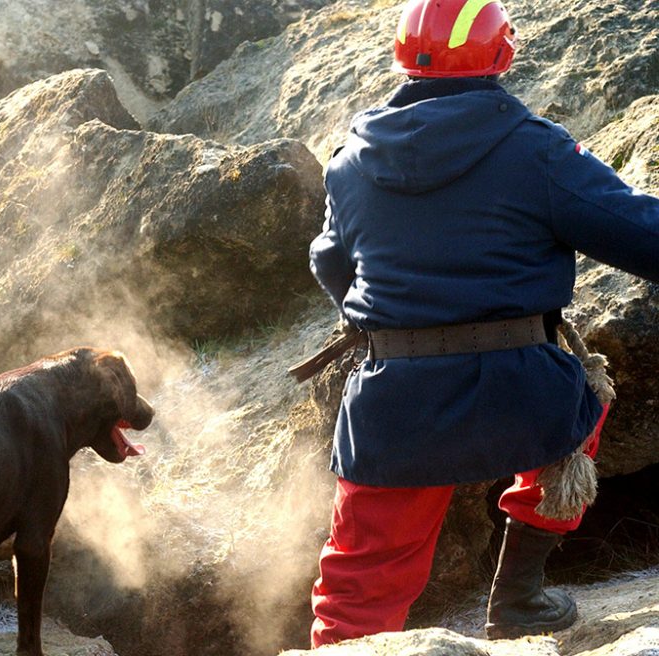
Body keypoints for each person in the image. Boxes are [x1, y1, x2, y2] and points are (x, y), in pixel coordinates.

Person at [306, 0, 659, 645]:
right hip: (521, 393)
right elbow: (641, 233)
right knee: (586, 398)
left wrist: (397, 324)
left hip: (397, 404)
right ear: (503, 53)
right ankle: (519, 596)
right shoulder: (536, 150)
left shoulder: (349, 162)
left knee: (358, 587)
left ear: (401, 55)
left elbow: (330, 262)